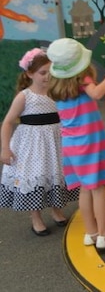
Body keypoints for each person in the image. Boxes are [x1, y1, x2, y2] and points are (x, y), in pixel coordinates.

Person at [46, 38, 105, 249]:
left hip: (71, 144)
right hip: (89, 141)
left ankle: (90, 233)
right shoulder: (84, 81)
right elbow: (97, 94)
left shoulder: (56, 88)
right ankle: (104, 236)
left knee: (85, 189)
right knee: (98, 189)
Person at [0, 48, 78, 237]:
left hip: (55, 142)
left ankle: (56, 209)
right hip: (31, 145)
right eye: (42, 73)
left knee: (54, 174)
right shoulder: (25, 96)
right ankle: (35, 217)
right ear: (29, 74)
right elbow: (8, 122)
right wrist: (5, 149)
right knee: (36, 177)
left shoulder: (55, 93)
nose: (47, 77)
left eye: (51, 72)